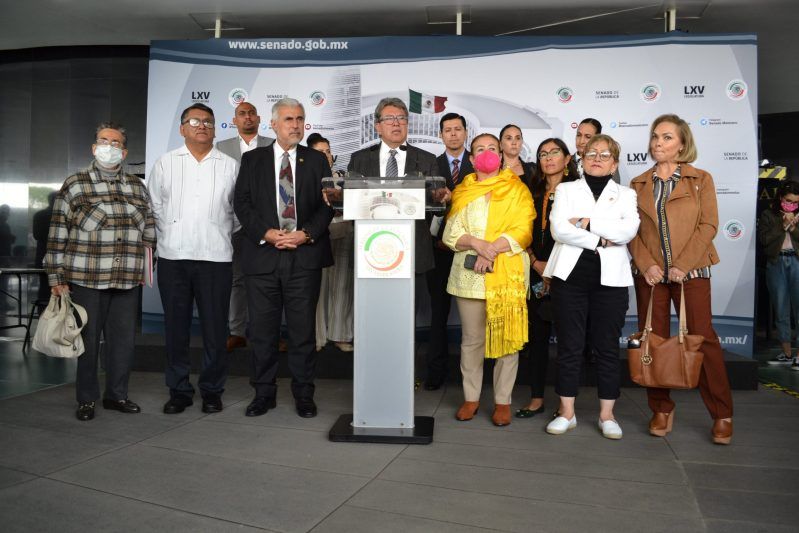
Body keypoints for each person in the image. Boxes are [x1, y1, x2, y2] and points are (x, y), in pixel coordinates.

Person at [628, 113, 734, 444]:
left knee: (703, 340)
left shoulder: (700, 178)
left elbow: (708, 225)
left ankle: (721, 414)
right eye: (655, 136)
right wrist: (648, 264)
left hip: (693, 272)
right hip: (651, 275)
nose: (658, 142)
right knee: (654, 341)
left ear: (683, 144)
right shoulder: (639, 183)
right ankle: (661, 409)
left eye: (667, 137)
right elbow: (631, 232)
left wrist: (683, 265)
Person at [45, 122, 156, 421]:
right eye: (104, 141)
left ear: (124, 151)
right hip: (86, 279)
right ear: (94, 148)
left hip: (127, 280)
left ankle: (117, 396)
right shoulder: (75, 183)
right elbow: (57, 233)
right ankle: (86, 399)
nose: (110, 146)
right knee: (88, 343)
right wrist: (56, 277)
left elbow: (149, 232)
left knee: (123, 344)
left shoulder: (136, 186)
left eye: (116, 142)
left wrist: (146, 270)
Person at [234, 98, 334, 419]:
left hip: (303, 257)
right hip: (263, 256)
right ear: (273, 124)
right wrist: (267, 232)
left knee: (303, 333)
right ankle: (263, 394)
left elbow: (327, 206)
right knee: (262, 333)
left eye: (300, 119)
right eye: (289, 119)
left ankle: (304, 395)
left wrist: (305, 233)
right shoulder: (252, 160)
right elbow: (242, 204)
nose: (295, 124)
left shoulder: (316, 160)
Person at [543, 134, 639, 439]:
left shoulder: (626, 194)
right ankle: (567, 413)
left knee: (607, 348)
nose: (597, 158)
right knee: (569, 347)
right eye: (591, 153)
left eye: (605, 155)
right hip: (570, 279)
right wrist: (600, 238)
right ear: (582, 160)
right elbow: (559, 230)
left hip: (611, 282)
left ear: (614, 164)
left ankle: (607, 415)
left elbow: (627, 231)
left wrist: (585, 223)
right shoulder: (566, 189)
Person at [148, 103, 239, 415]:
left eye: (209, 122)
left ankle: (212, 390)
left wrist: (217, 230)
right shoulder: (165, 163)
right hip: (174, 256)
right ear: (182, 128)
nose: (203, 126)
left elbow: (238, 214)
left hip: (216, 257)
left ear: (215, 129)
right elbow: (155, 206)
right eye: (195, 121)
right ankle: (179, 390)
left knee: (216, 330)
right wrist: (172, 233)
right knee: (176, 328)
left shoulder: (229, 165)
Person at [442, 133, 534, 427]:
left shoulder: (517, 189)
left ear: (502, 153)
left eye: (492, 148)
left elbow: (523, 231)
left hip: (506, 273)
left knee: (508, 341)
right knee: (471, 340)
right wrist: (478, 244)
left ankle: (502, 401)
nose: (486, 153)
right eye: (480, 149)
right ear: (471, 159)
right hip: (469, 276)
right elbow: (450, 235)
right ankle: (471, 398)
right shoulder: (462, 191)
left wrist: (491, 250)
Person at [515, 138, 578, 418]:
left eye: (554, 153)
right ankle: (537, 397)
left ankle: (566, 405)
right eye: (543, 154)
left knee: (569, 342)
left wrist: (553, 268)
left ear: (567, 159)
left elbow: (579, 237)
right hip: (535, 271)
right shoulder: (531, 191)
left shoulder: (580, 193)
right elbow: (520, 230)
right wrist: (534, 262)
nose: (548, 158)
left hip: (567, 273)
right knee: (536, 340)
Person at [348, 97, 440, 276]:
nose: (396, 123)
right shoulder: (359, 159)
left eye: (402, 118)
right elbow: (352, 203)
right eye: (389, 118)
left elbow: (437, 206)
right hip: (370, 247)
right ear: (378, 126)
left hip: (413, 249)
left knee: (415, 303)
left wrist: (441, 197)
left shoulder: (427, 160)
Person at [216, 102, 275, 353]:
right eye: (242, 114)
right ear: (235, 119)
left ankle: (267, 333)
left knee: (268, 280)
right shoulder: (221, 147)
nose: (247, 117)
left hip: (266, 225)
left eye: (251, 113)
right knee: (237, 279)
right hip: (233, 223)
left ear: (259, 118)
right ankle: (237, 331)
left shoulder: (272, 145)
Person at [425, 112, 475, 390]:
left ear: (465, 132)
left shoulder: (479, 164)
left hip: (472, 251)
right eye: (448, 130)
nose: (453, 134)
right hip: (439, 249)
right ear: (441, 135)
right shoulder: (430, 164)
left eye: (458, 129)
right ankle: (436, 371)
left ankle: (477, 373)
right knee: (438, 314)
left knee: (477, 317)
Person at [307, 132, 353, 353]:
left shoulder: (344, 176)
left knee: (342, 285)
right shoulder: (304, 177)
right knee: (317, 288)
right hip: (316, 237)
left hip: (343, 233)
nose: (326, 155)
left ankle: (340, 335)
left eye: (328, 151)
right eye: (319, 152)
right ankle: (317, 337)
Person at [760, 180, 799, 369]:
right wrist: (783, 225)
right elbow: (765, 241)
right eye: (788, 200)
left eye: (795, 202)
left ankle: (798, 356)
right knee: (781, 308)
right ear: (781, 198)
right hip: (776, 263)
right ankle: (786, 353)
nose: (792, 205)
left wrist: (793, 227)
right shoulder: (769, 214)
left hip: (797, 262)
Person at [32, 192, 57, 302]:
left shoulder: (39, 215)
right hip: (56, 257)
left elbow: (37, 235)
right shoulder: (63, 216)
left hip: (43, 256)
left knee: (44, 287)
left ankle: (43, 314)